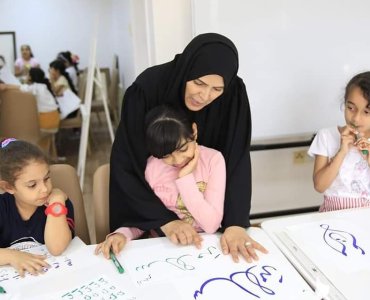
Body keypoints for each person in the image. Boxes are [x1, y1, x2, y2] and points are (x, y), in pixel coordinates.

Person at [109, 33, 268, 263]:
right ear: (187, 70)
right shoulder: (147, 88)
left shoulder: (233, 93)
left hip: (206, 227)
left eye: (216, 90)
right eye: (198, 83)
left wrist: (235, 223)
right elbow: (127, 163)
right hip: (157, 231)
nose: (204, 96)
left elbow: (237, 158)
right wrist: (165, 220)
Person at [96, 105, 226, 258]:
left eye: (183, 149)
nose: (177, 160)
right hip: (161, 250)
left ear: (194, 131)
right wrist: (121, 234)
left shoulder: (213, 160)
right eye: (166, 155)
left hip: (206, 248)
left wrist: (184, 178)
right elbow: (144, 218)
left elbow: (211, 225)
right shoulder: (151, 168)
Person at [0, 138, 75, 276]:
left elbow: (56, 248)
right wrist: (12, 256)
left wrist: (57, 201)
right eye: (32, 185)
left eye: (46, 179)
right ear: (8, 187)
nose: (44, 189)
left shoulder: (59, 205)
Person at [308, 71, 370, 212]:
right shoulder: (326, 136)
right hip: (332, 216)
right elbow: (320, 186)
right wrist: (342, 152)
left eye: (366, 112)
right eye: (351, 108)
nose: (355, 119)